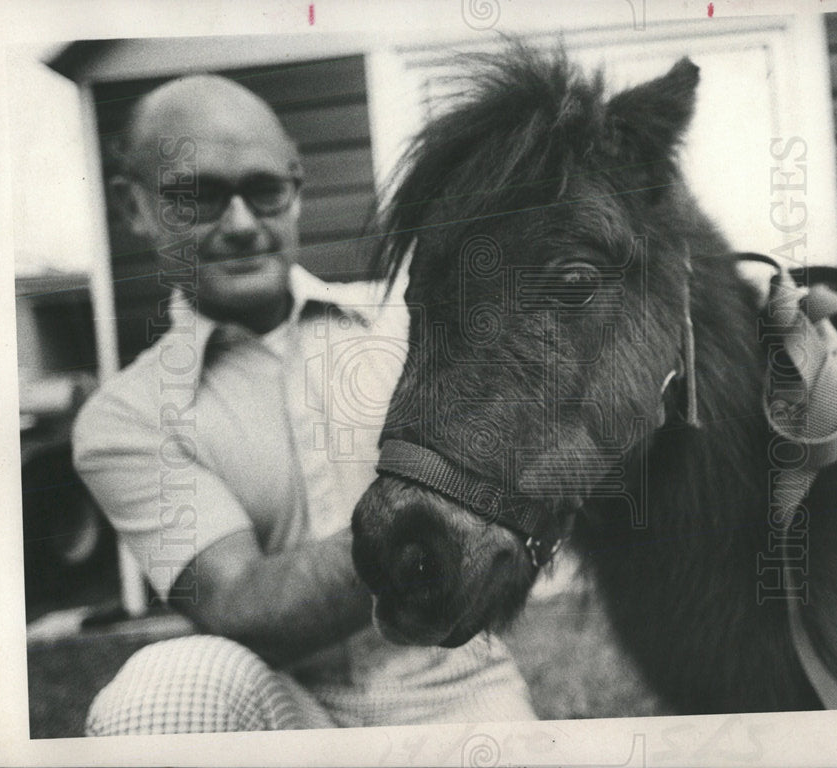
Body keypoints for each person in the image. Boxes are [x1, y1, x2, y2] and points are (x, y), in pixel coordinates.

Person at [73, 74, 536, 734]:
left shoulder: (411, 321)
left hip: (461, 688)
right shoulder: (125, 417)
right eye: (198, 196)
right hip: (288, 710)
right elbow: (239, 605)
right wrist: (439, 502)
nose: (240, 224)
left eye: (263, 190)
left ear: (296, 188)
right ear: (134, 207)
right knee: (155, 694)